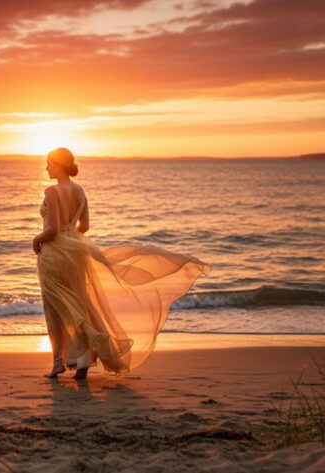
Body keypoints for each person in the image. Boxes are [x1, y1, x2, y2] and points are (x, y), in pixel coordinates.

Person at [33, 147, 210, 380]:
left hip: (55, 253)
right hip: (76, 252)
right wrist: (72, 238)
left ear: (58, 165)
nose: (46, 168)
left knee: (57, 307)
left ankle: (59, 363)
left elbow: (53, 228)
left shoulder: (51, 191)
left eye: (49, 163)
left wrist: (37, 238)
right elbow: (84, 226)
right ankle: (84, 358)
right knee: (80, 303)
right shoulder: (80, 191)